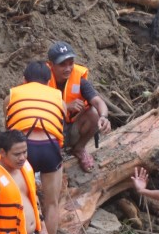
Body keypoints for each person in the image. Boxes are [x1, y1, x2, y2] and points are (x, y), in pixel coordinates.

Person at [4, 61, 67, 234]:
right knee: (52, 203)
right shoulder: (58, 97)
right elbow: (60, 124)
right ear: (49, 82)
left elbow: (9, 127)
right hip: (50, 148)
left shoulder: (12, 95)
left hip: (23, 147)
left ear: (24, 80)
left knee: (20, 201)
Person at [46, 41, 111, 172]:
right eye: (62, 64)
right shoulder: (43, 79)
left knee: (93, 113)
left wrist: (104, 116)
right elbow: (36, 104)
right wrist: (65, 106)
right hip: (49, 131)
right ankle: (53, 154)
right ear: (51, 65)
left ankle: (79, 148)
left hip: (72, 128)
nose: (68, 68)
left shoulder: (79, 80)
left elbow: (98, 102)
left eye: (71, 63)